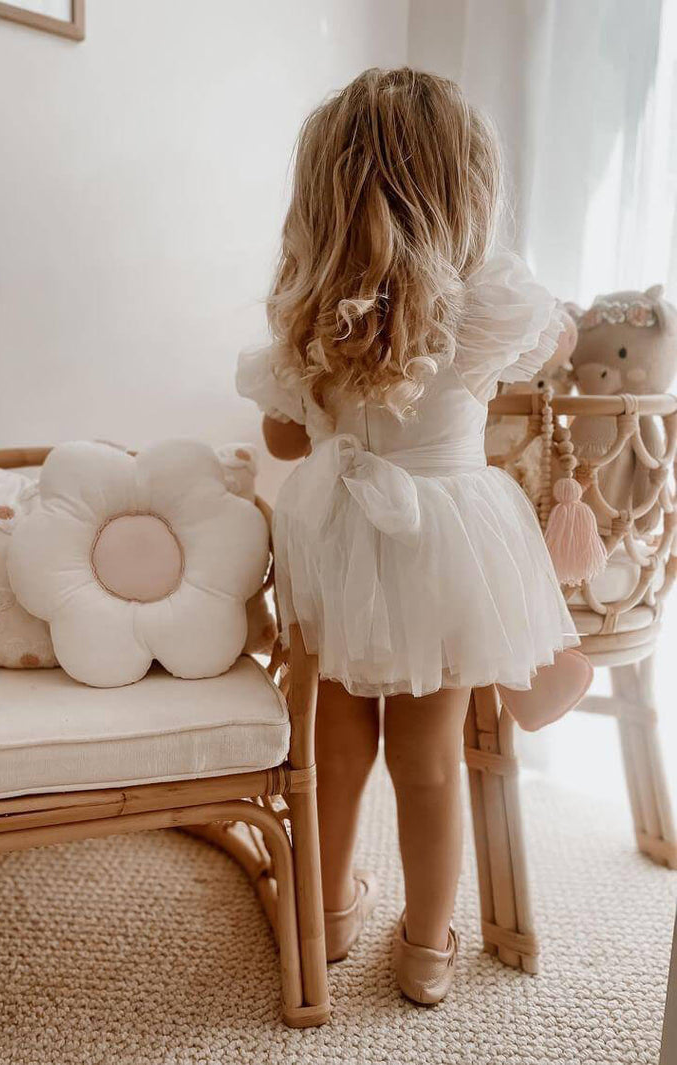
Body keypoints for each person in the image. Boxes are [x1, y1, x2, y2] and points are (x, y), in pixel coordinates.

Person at [237, 68, 577, 1004]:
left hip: (341, 532)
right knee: (427, 756)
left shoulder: (307, 308)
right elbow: (549, 350)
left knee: (335, 741)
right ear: (465, 189)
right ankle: (427, 948)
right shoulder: (488, 300)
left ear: (324, 191)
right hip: (447, 539)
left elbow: (279, 436)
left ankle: (329, 913)